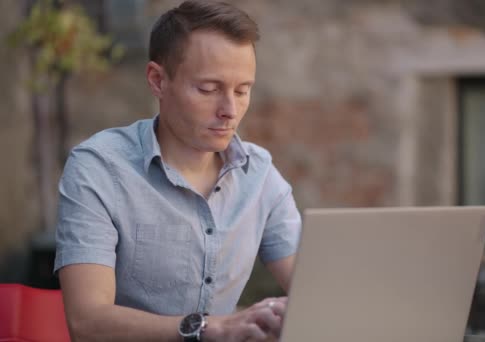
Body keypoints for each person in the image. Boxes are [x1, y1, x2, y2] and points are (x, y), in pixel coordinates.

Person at [53, 1, 301, 341]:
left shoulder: (259, 174)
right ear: (158, 80)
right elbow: (87, 322)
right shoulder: (98, 168)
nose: (230, 110)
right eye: (209, 89)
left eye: (243, 91)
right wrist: (213, 327)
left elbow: (316, 290)